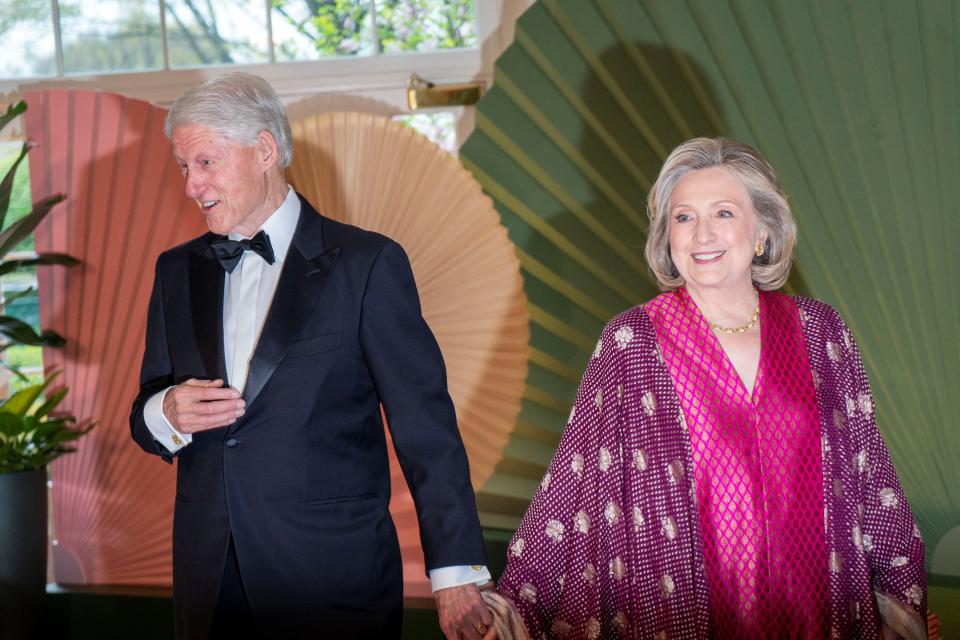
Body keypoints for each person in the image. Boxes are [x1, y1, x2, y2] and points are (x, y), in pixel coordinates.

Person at [485, 138, 926, 639]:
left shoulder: (821, 332)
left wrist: (899, 600)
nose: (701, 234)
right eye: (684, 217)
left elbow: (871, 477)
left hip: (819, 612)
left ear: (762, 229)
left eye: (722, 212)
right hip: (685, 617)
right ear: (667, 237)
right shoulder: (633, 343)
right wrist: (506, 611)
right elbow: (575, 483)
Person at [129, 72, 495, 640]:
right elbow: (146, 411)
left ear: (266, 150)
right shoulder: (176, 271)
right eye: (183, 167)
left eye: (205, 163)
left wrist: (455, 573)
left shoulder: (368, 265)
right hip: (209, 584)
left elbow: (426, 428)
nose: (190, 186)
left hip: (334, 582)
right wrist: (166, 413)